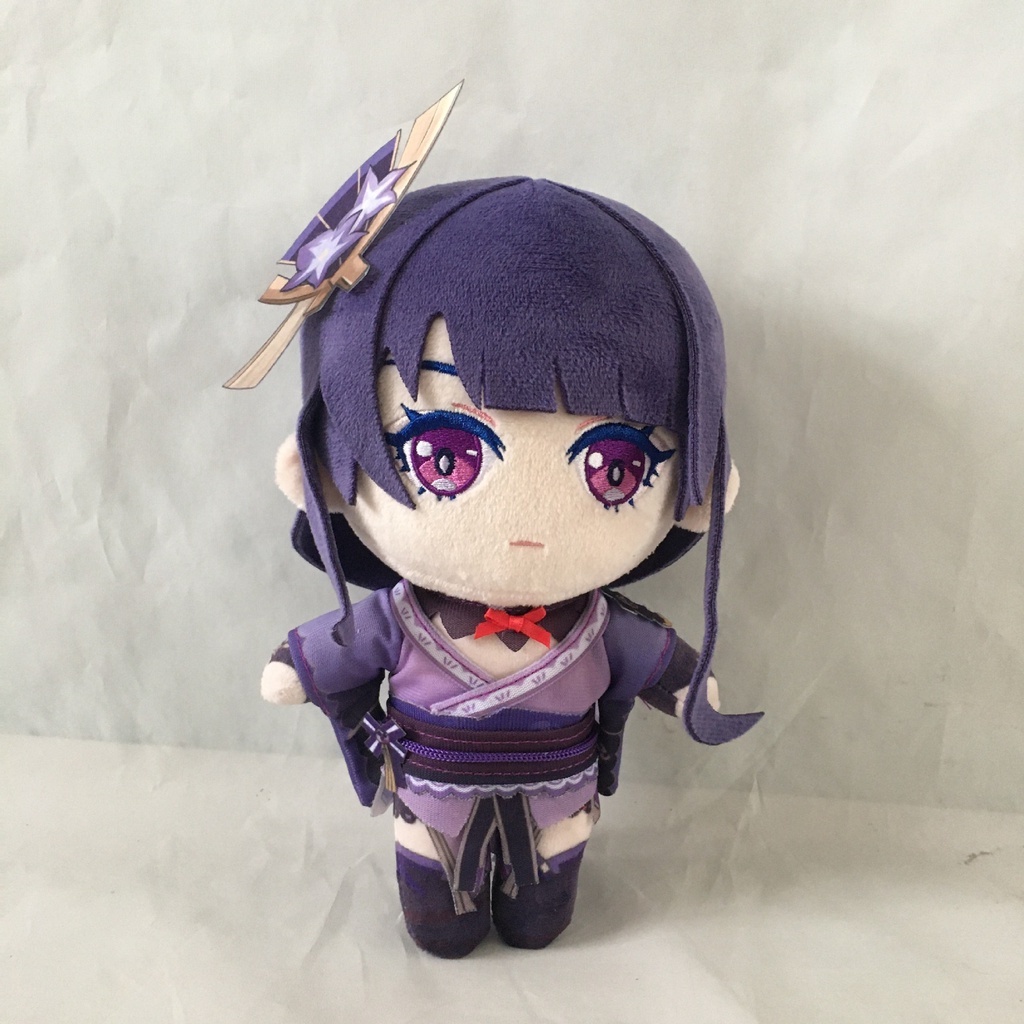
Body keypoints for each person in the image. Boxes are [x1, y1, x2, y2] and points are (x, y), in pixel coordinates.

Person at [259, 177, 761, 957]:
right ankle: (445, 919)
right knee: (438, 919)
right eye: (444, 454)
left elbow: (662, 668)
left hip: (560, 797)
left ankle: (536, 911)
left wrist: (687, 685)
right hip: (432, 803)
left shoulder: (599, 627)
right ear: (322, 470)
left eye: (615, 468)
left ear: (698, 493)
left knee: (543, 913)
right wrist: (297, 667)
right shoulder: (399, 621)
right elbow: (326, 654)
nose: (526, 524)